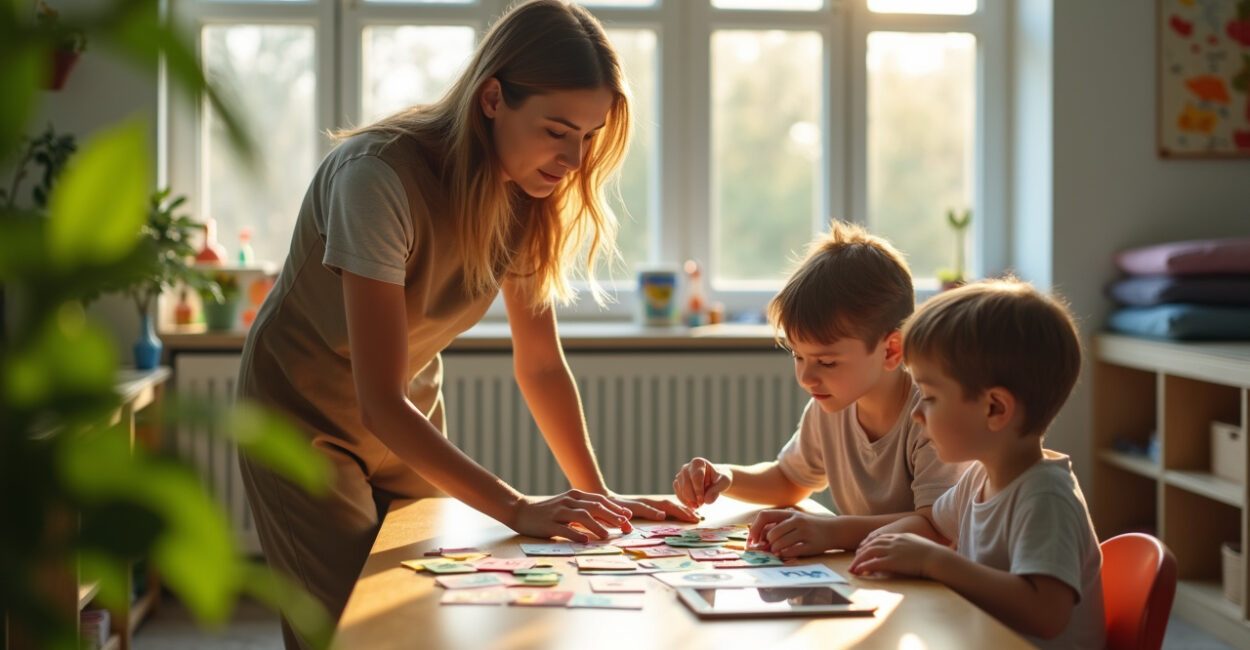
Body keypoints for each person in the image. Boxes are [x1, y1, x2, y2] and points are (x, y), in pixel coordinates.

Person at [236, 2, 694, 645]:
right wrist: (516, 506)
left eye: (587, 137)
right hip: (301, 414)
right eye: (557, 130)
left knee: (425, 609)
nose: (572, 159)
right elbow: (377, 400)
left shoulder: (530, 196)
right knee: (349, 628)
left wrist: (601, 502)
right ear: (491, 98)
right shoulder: (377, 179)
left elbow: (539, 364)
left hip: (408, 413)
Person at [672, 222, 965, 557]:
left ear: (891, 350)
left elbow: (936, 528)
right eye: (798, 356)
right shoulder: (831, 406)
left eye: (826, 362)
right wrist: (725, 476)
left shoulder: (931, 413)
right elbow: (789, 480)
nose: (806, 378)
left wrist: (833, 531)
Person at [850, 279, 1105, 649]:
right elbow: (931, 524)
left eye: (931, 397)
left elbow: (1046, 614)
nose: (917, 414)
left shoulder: (1046, 498)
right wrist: (878, 542)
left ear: (995, 409)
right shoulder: (977, 479)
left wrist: (933, 562)